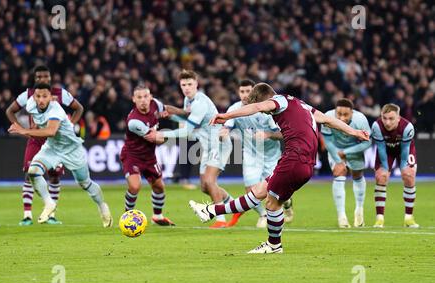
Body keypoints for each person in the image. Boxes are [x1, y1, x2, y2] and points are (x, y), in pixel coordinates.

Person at [189, 83, 369, 254]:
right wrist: (354, 132)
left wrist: (226, 116)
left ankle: (273, 244)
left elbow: (258, 108)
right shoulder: (302, 105)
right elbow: (328, 120)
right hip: (306, 163)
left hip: (294, 159)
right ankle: (210, 211)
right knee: (260, 191)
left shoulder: (279, 101)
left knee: (270, 203)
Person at [8, 83, 112, 227]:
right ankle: (49, 203)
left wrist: (24, 131)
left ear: (51, 97)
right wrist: (28, 128)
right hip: (52, 147)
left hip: (71, 149)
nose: (41, 100)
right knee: (33, 171)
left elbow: (51, 131)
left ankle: (102, 206)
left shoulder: (55, 109)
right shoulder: (31, 105)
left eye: (45, 96)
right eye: (38, 96)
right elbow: (39, 122)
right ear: (33, 97)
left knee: (85, 183)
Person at [145, 70, 233, 228]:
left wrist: (161, 134)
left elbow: (187, 131)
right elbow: (189, 120)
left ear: (196, 84)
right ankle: (235, 205)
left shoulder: (200, 102)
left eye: (189, 84)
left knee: (209, 181)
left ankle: (221, 220)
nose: (186, 88)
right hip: (207, 146)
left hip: (219, 143)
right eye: (183, 85)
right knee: (205, 187)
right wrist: (170, 116)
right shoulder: (188, 100)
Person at [5, 65, 84, 226]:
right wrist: (20, 128)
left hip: (55, 141)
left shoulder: (60, 94)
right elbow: (9, 111)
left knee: (54, 176)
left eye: (45, 76)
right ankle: (27, 215)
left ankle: (51, 215)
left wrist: (69, 125)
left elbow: (79, 108)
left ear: (50, 78)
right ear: (34, 79)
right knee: (29, 174)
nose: (43, 79)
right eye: (39, 77)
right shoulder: (27, 95)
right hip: (35, 139)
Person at [220, 79, 292, 228]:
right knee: (250, 190)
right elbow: (227, 126)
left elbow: (283, 133)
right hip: (250, 154)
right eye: (242, 91)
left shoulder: (266, 109)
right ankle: (263, 214)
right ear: (238, 92)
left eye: (248, 91)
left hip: (271, 155)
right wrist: (223, 132)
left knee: (276, 191)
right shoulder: (234, 109)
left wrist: (268, 134)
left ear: (254, 92)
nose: (245, 95)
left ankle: (287, 203)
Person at [120, 85, 175, 226]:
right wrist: (179, 133)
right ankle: (127, 216)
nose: (143, 100)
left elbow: (166, 111)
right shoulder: (134, 121)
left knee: (159, 187)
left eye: (145, 96)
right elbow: (155, 138)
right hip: (132, 155)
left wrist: (182, 117)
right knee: (134, 186)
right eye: (139, 97)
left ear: (150, 97)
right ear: (134, 99)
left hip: (149, 156)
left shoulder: (156, 104)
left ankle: (157, 216)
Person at [321, 98, 371, 228]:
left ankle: (359, 210)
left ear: (352, 113)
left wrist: (346, 152)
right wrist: (338, 160)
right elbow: (327, 140)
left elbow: (368, 142)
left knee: (357, 175)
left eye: (346, 115)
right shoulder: (328, 116)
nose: (342, 118)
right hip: (335, 149)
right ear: (335, 112)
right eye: (339, 114)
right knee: (339, 172)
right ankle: (341, 216)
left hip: (354, 149)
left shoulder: (361, 120)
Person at [371, 103, 419, 228]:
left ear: (398, 118)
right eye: (384, 118)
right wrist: (386, 170)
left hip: (404, 150)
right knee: (381, 176)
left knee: (408, 175)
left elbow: (404, 152)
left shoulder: (407, 127)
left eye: (391, 118)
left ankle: (408, 218)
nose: (387, 122)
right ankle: (379, 219)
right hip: (386, 151)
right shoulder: (376, 126)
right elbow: (381, 149)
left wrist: (403, 169)